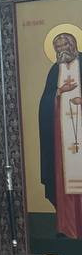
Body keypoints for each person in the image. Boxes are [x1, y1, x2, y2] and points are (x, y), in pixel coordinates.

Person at [38, 30, 82, 239]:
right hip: (62, 136)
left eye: (64, 45)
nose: (61, 50)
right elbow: (45, 102)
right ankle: (67, 227)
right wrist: (59, 91)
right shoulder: (55, 70)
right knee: (64, 178)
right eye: (57, 47)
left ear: (73, 44)